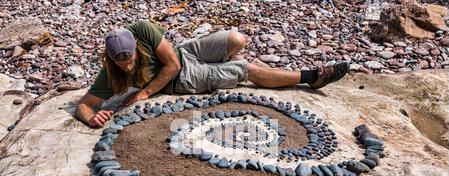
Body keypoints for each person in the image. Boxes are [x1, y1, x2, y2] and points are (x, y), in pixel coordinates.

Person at [75, 20, 350, 127]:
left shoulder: (142, 29)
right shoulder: (110, 74)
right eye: (120, 63)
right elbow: (83, 106)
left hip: (184, 55)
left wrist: (145, 92)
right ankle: (310, 77)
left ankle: (221, 69)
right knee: (248, 70)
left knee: (237, 39)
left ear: (135, 46)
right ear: (110, 59)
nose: (126, 66)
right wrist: (92, 118)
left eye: (130, 60)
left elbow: (172, 63)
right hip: (182, 81)